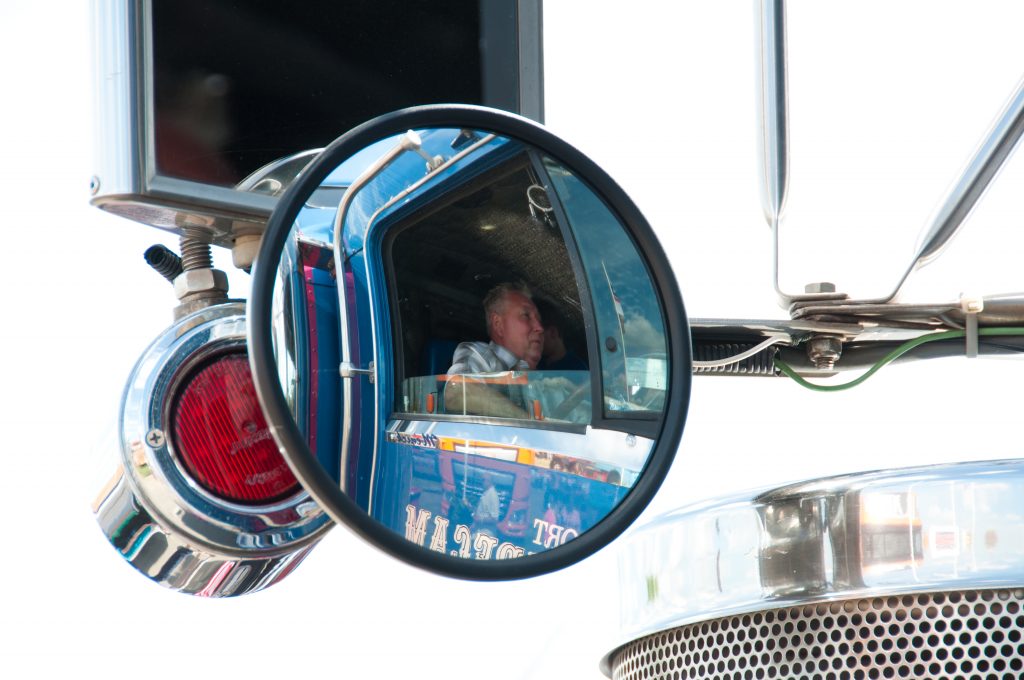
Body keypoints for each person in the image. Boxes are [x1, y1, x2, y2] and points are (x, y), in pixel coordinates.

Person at [445, 282, 544, 417]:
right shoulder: (479, 355)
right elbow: (457, 392)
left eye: (538, 319)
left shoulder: (530, 373)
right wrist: (527, 419)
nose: (540, 327)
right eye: (526, 315)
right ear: (498, 324)